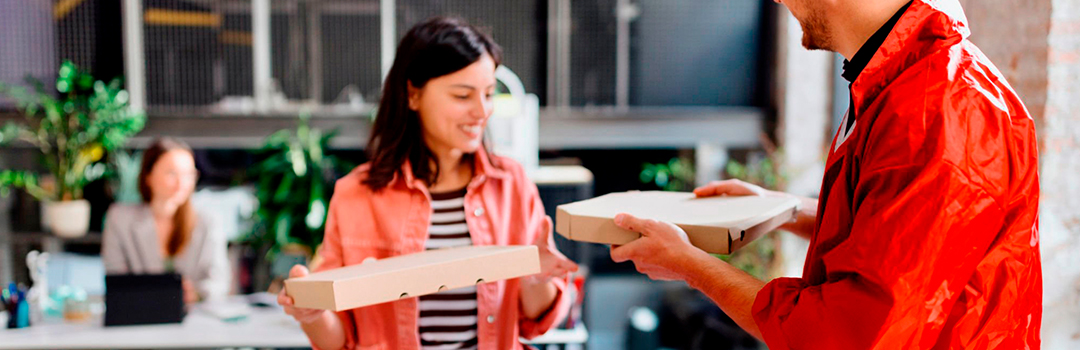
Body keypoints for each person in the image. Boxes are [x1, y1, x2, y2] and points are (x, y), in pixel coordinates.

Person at [609, 0, 1042, 348]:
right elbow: (892, 241)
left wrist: (690, 265)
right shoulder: (904, 81)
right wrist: (785, 209)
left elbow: (845, 335)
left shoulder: (938, 110)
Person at [277, 17, 578, 350]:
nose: (482, 111)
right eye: (463, 95)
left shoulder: (511, 184)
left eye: (489, 94)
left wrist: (536, 277)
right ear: (413, 94)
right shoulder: (356, 193)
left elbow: (535, 322)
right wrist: (312, 314)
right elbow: (339, 340)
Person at [102, 137, 231, 303]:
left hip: (192, 318)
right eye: (172, 173)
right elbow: (116, 282)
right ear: (148, 176)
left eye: (189, 175)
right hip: (139, 315)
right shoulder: (119, 220)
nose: (181, 184)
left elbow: (219, 282)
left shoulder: (208, 222)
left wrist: (196, 293)